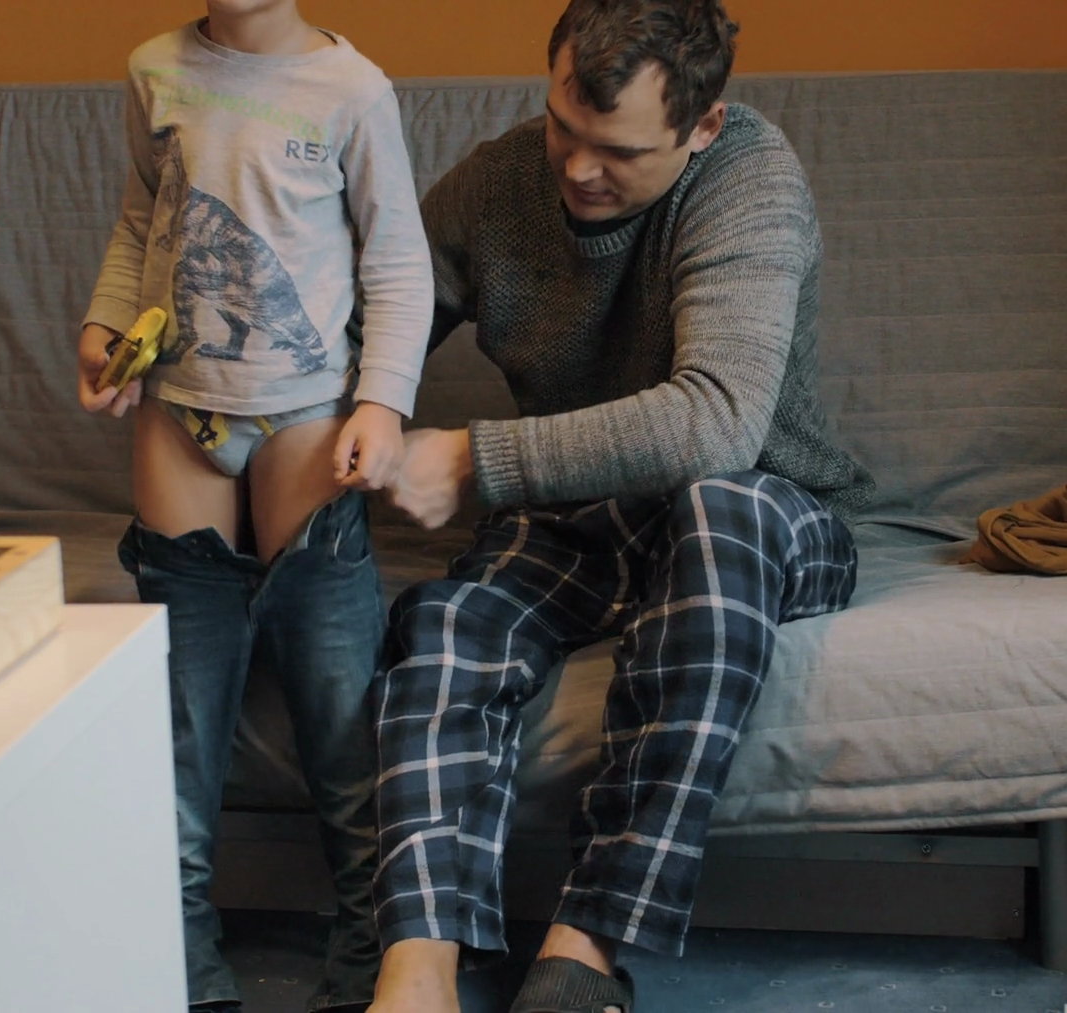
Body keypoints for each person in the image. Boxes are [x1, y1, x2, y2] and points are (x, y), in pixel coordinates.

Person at [367, 2, 875, 1010]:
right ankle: (415, 969)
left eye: (620, 151)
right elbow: (373, 323)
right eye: (564, 128)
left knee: (717, 510)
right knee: (445, 622)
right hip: (577, 514)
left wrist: (471, 457)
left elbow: (718, 422)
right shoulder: (498, 183)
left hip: (762, 507)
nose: (578, 168)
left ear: (702, 125)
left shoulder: (749, 178)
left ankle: (585, 948)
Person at [76, 2, 433, 1010]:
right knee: (183, 723)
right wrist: (106, 324)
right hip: (177, 409)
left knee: (340, 710)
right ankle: (182, 955)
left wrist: (382, 402)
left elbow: (397, 260)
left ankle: (367, 946)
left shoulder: (353, 90)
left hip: (304, 418)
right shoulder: (153, 69)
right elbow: (144, 220)